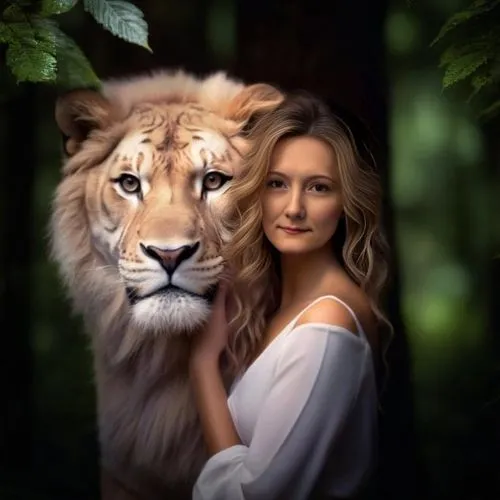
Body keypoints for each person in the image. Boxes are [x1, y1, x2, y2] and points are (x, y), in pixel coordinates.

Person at [188, 92, 391, 500]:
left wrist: (202, 364)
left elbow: (256, 496)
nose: (294, 208)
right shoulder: (286, 309)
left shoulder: (326, 328)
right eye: (277, 183)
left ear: (346, 202)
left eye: (318, 188)